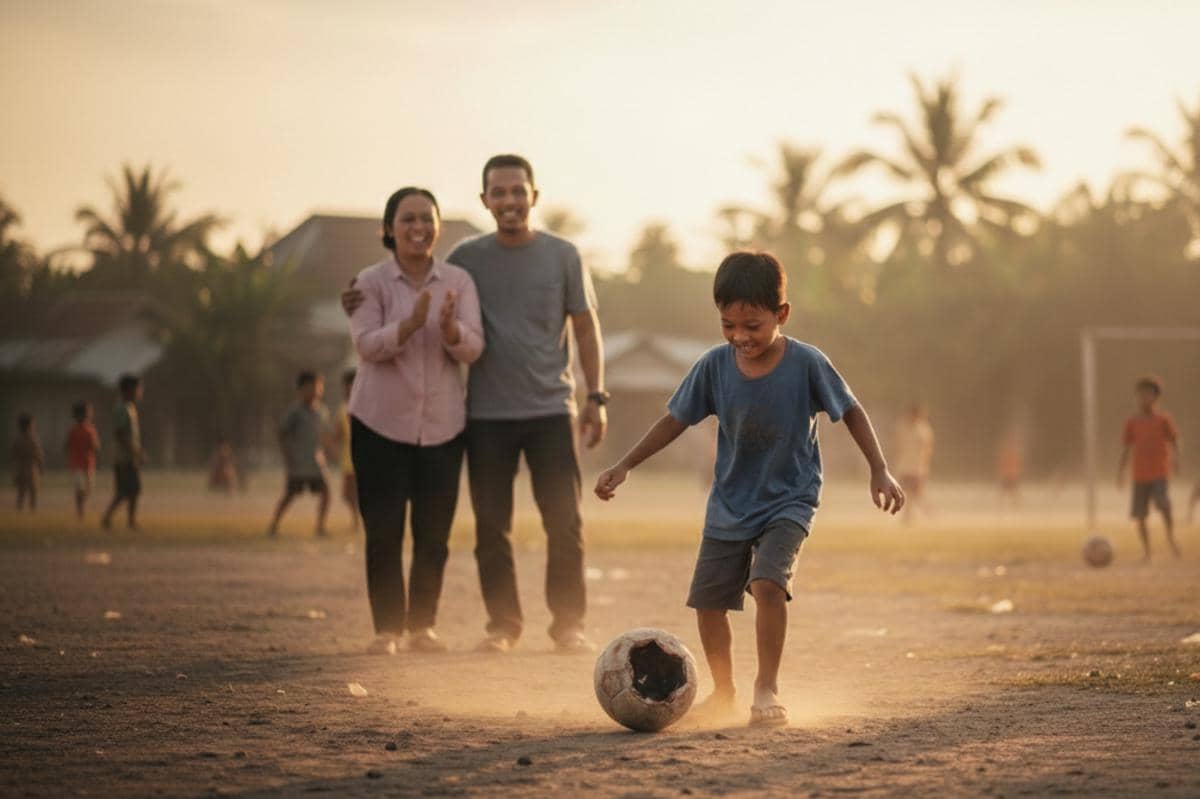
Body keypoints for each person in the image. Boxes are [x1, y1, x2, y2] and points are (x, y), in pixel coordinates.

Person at [594, 251, 904, 728]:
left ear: (782, 314)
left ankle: (766, 687)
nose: (740, 336)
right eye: (728, 325)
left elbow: (852, 410)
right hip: (730, 502)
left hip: (790, 498)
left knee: (768, 584)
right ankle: (724, 691)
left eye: (753, 325)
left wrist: (879, 468)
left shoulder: (807, 363)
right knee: (708, 603)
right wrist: (625, 465)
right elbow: (674, 420)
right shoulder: (713, 367)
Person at [343, 155, 608, 655]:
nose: (509, 201)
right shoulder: (466, 259)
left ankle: (568, 624)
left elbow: (585, 326)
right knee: (491, 528)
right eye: (498, 192)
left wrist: (596, 395)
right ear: (484, 200)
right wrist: (356, 301)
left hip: (552, 408)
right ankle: (503, 626)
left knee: (564, 521)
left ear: (534, 195)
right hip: (485, 414)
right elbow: (414, 276)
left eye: (517, 191)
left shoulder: (562, 255)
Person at [347, 187, 484, 655]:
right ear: (389, 228)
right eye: (407, 219)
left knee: (433, 533)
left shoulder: (459, 281)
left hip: (443, 426)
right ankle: (387, 629)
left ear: (439, 226)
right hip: (378, 423)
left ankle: (423, 626)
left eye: (427, 218)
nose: (418, 227)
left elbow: (474, 347)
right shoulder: (370, 282)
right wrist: (408, 325)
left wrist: (448, 329)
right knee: (384, 530)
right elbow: (366, 345)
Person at [1116, 375, 1181, 560]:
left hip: (1159, 472)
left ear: (1155, 397)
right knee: (1140, 515)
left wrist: (1176, 460)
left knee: (1163, 505)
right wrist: (1121, 472)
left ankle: (1171, 538)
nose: (1144, 398)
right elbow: (1127, 448)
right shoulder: (1132, 422)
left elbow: (1174, 441)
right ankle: (1147, 551)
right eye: (1141, 394)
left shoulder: (1163, 420)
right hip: (1139, 475)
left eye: (1148, 394)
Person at [267, 371, 331, 538]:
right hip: (298, 463)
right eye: (312, 386)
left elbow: (323, 435)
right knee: (290, 495)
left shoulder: (321, 411)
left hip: (316, 463)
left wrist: (329, 449)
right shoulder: (295, 412)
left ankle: (320, 527)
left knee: (326, 491)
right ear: (302, 388)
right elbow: (281, 434)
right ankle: (273, 525)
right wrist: (287, 457)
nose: (316, 390)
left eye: (319, 386)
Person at [101, 374, 144, 530]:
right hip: (123, 458)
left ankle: (130, 520)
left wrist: (137, 452)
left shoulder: (130, 408)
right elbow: (119, 433)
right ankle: (109, 518)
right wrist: (133, 451)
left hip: (130, 457)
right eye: (138, 389)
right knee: (125, 490)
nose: (140, 392)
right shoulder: (122, 408)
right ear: (129, 390)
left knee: (134, 489)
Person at [893, 403, 934, 523]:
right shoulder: (901, 427)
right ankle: (926, 514)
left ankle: (914, 516)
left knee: (914, 494)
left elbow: (927, 450)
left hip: (917, 468)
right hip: (904, 466)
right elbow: (897, 446)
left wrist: (924, 467)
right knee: (908, 493)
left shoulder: (924, 430)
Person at [332, 369, 359, 532]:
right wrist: (333, 447)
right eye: (347, 385)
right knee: (347, 494)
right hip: (347, 458)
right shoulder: (342, 409)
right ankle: (356, 519)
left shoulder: (364, 407)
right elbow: (337, 433)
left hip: (361, 457)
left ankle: (357, 520)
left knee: (354, 492)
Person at [65, 402, 101, 518]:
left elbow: (95, 446)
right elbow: (67, 445)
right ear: (76, 415)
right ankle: (80, 510)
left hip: (89, 463)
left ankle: (81, 506)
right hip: (76, 464)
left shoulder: (91, 429)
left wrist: (94, 447)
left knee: (89, 488)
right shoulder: (73, 430)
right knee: (79, 488)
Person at [11, 413, 44, 511]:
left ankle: (19, 509)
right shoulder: (33, 439)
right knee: (33, 492)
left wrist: (14, 470)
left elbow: (13, 456)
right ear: (29, 426)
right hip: (31, 469)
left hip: (20, 468)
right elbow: (38, 455)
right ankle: (32, 509)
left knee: (21, 492)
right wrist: (41, 467)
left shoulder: (17, 440)